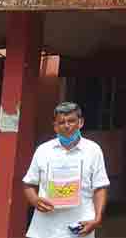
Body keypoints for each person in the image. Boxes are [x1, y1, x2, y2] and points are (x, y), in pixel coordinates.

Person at [23, 102, 110, 238]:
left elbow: (100, 187)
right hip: (45, 229)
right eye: (61, 122)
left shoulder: (93, 150)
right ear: (55, 127)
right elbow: (29, 184)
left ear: (80, 122)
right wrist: (35, 200)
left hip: (80, 227)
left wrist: (97, 219)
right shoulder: (43, 150)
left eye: (71, 121)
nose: (67, 125)